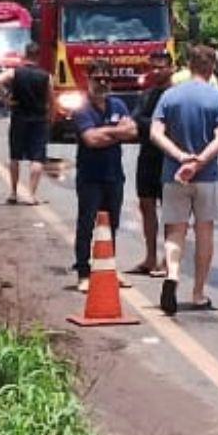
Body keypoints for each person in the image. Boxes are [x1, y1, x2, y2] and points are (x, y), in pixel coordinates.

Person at [149, 45, 218, 316]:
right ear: (211, 68)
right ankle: (198, 293)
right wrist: (199, 161)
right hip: (207, 175)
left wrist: (180, 157)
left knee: (175, 231)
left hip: (174, 173)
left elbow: (155, 133)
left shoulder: (170, 96)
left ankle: (172, 274)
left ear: (188, 65)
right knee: (204, 231)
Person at [70, 62, 137, 293]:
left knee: (111, 225)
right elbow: (91, 140)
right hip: (90, 177)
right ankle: (83, 272)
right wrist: (116, 133)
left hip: (114, 176)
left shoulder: (118, 104)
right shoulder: (82, 109)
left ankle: (108, 267)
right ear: (88, 80)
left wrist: (107, 133)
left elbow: (132, 132)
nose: (102, 83)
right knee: (87, 225)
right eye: (97, 78)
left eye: (106, 79)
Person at [128, 49, 177, 276]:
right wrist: (153, 126)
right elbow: (136, 120)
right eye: (153, 67)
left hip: (169, 158)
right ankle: (149, 257)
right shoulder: (147, 95)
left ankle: (168, 260)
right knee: (146, 205)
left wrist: (150, 125)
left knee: (169, 211)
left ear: (171, 68)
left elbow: (172, 125)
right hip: (147, 156)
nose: (157, 71)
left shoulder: (176, 96)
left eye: (161, 66)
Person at [0, 41, 52, 205]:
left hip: (19, 118)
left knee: (15, 156)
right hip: (39, 120)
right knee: (37, 158)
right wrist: (50, 116)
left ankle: (13, 192)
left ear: (25, 55)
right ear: (38, 56)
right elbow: (51, 99)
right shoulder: (45, 76)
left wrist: (6, 99)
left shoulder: (15, 73)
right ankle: (31, 195)